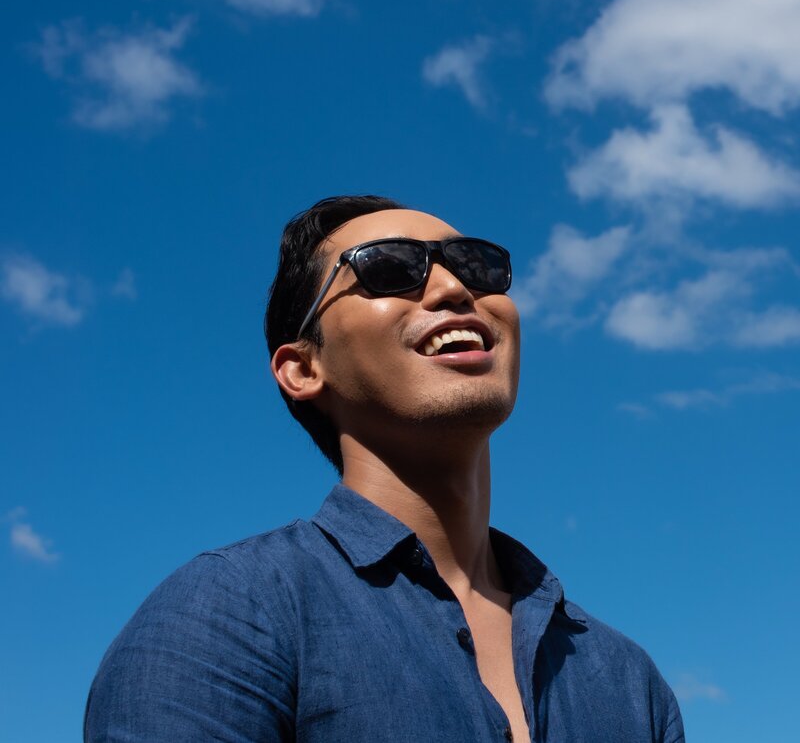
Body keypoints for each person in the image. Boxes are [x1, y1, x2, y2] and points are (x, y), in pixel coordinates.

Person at [84, 195, 685, 742]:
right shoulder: (232, 613)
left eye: (475, 265)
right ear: (303, 368)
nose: (454, 288)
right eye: (387, 268)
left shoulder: (629, 679)